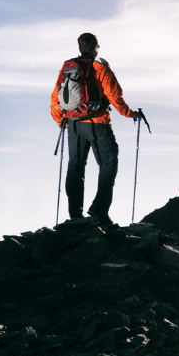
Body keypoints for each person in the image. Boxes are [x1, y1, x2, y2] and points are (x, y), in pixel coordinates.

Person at [50, 32, 143, 223]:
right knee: (109, 163)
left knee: (75, 167)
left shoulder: (69, 67)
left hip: (73, 124)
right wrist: (130, 113)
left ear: (80, 47)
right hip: (97, 123)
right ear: (95, 48)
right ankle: (99, 210)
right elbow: (114, 95)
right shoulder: (100, 67)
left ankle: (76, 215)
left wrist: (60, 119)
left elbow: (55, 96)